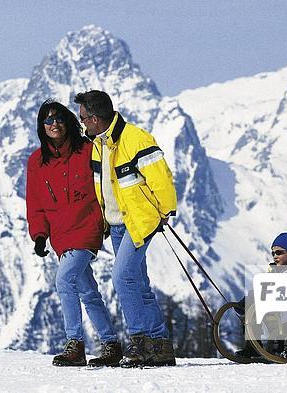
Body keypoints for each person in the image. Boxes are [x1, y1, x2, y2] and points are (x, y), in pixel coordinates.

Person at [74, 90, 177, 367]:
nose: (81, 122)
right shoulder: (99, 144)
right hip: (118, 225)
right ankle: (161, 346)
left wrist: (165, 210)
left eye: (83, 118)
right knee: (140, 285)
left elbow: (162, 178)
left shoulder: (136, 139)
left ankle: (141, 342)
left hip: (139, 222)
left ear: (95, 118)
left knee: (123, 278)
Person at [26, 100, 121, 367]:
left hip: (86, 227)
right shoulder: (36, 161)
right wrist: (40, 235)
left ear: (68, 122)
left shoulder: (87, 150)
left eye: (58, 119)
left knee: (64, 281)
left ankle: (75, 344)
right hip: (60, 235)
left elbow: (107, 183)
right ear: (41, 126)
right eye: (47, 120)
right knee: (87, 290)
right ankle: (111, 344)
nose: (53, 124)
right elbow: (35, 204)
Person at [234, 232, 287, 358]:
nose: (275, 256)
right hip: (276, 306)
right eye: (273, 253)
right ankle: (252, 346)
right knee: (253, 310)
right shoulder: (274, 270)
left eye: (279, 252)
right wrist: (247, 301)